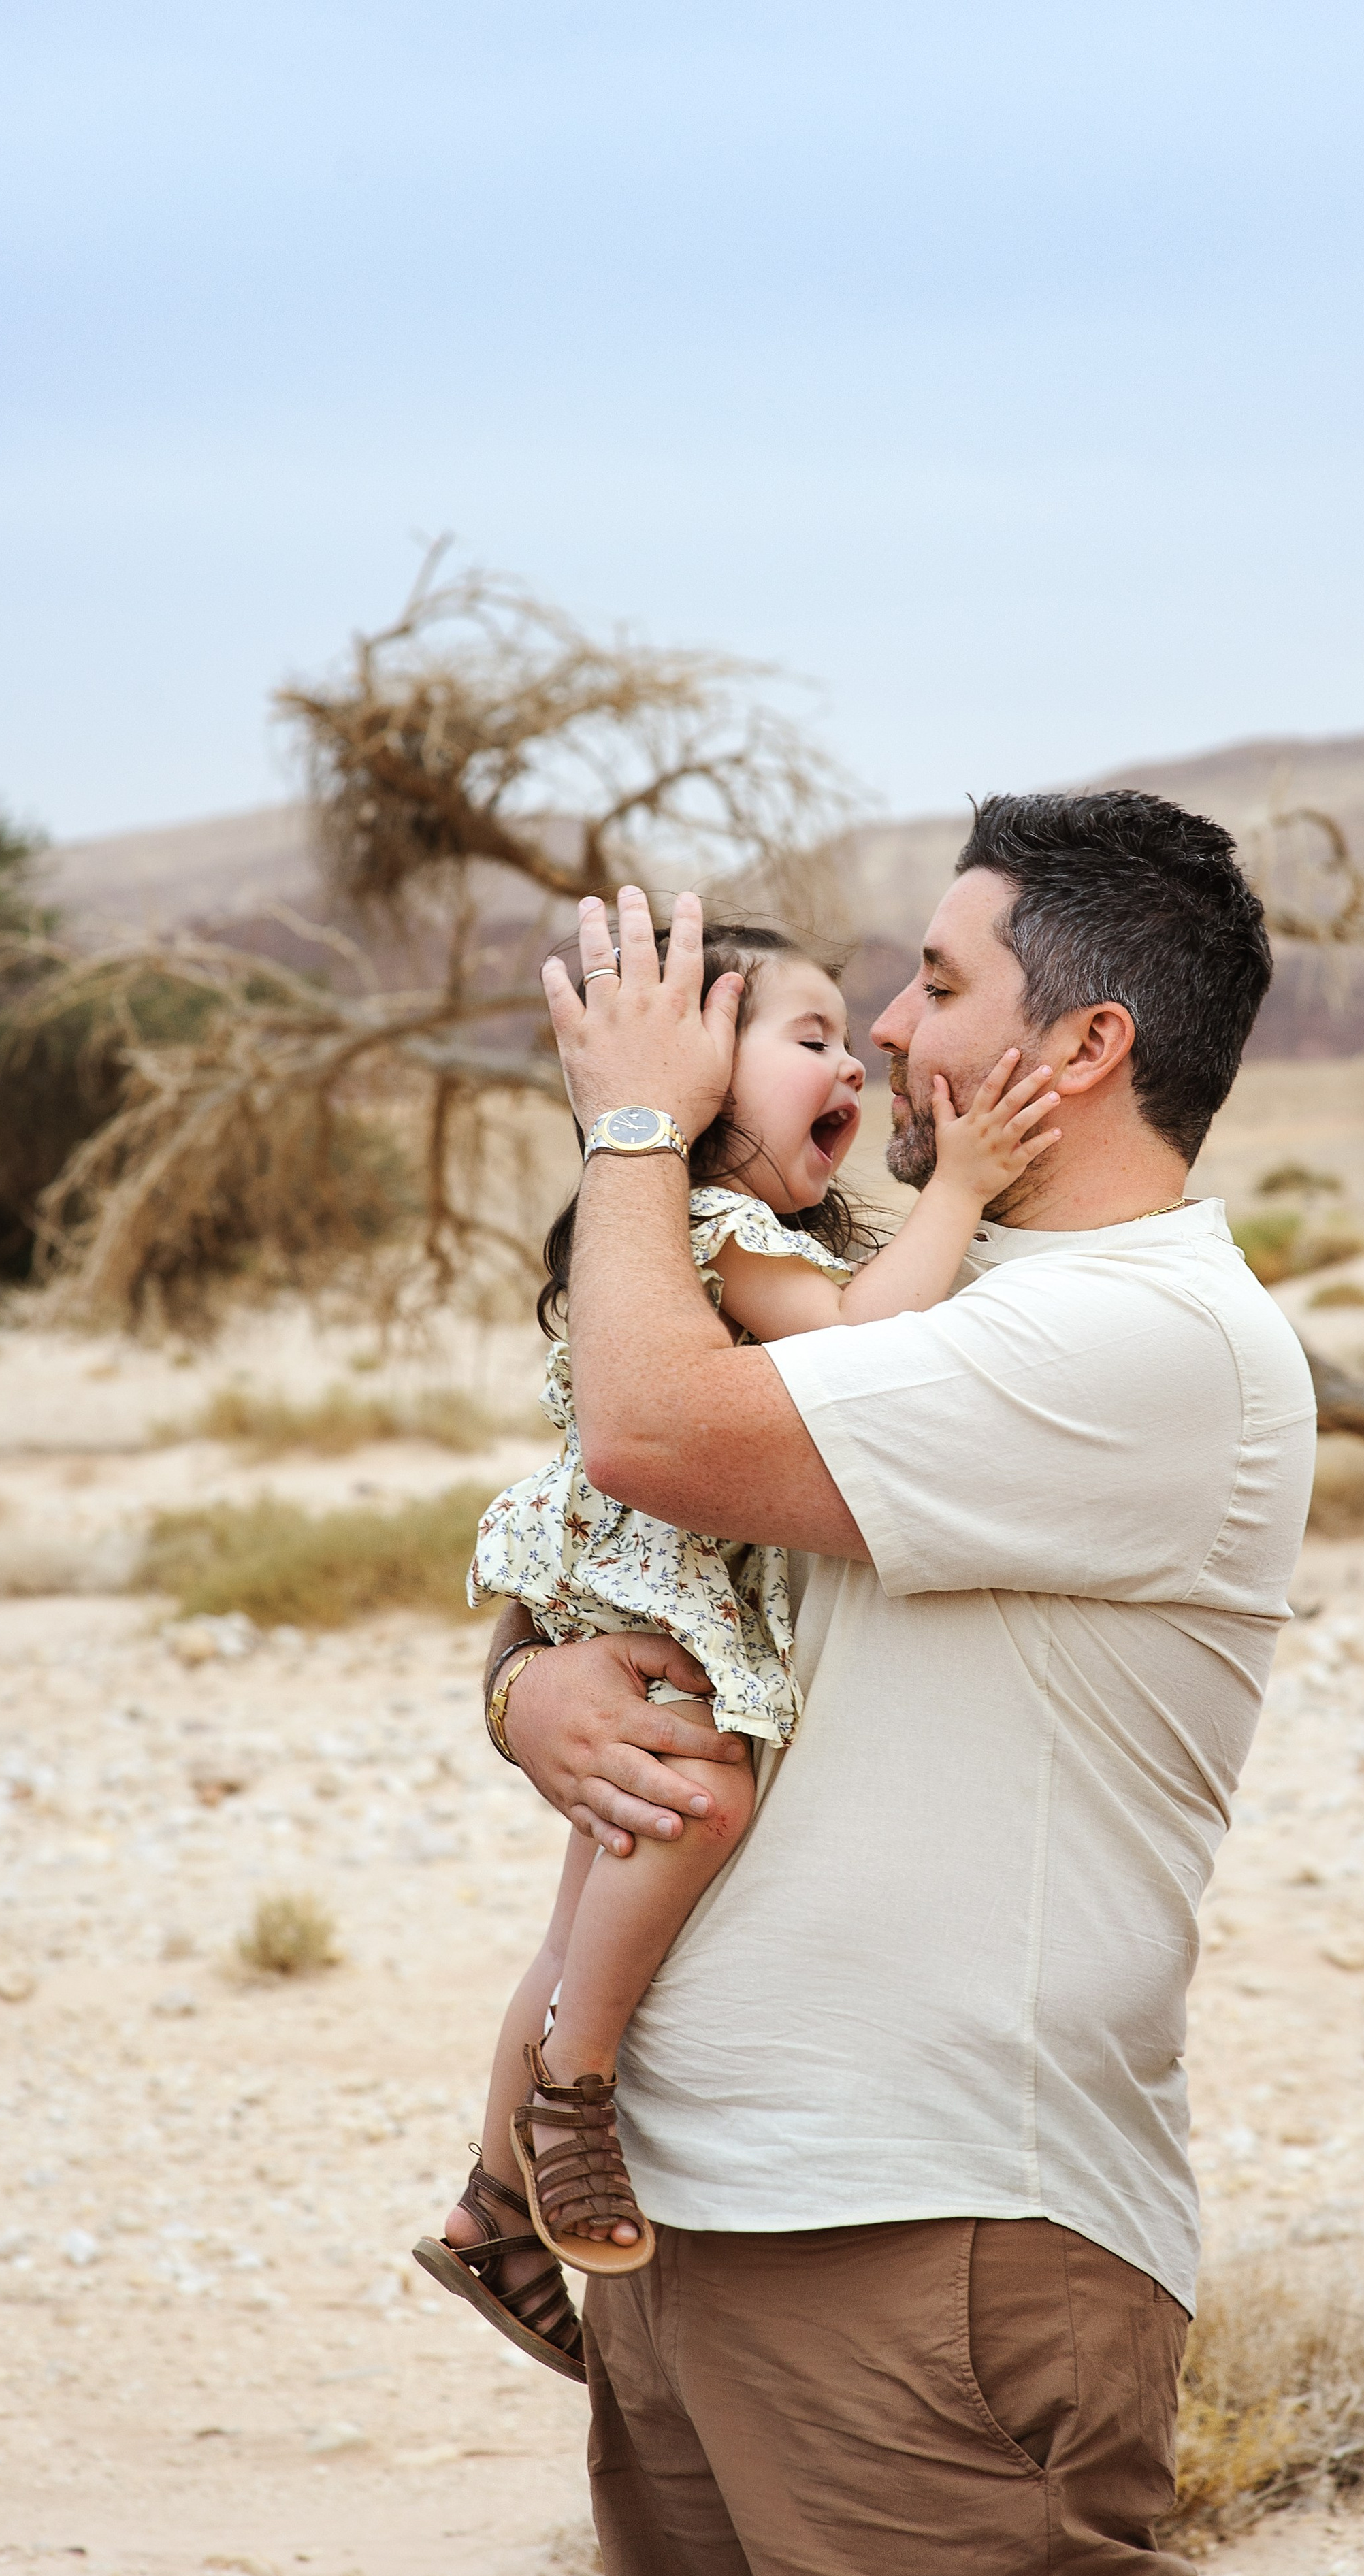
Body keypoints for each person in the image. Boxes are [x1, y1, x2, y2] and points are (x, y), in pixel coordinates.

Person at [490, 792, 1315, 2576]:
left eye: (939, 984)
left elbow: (653, 1426)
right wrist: (527, 1689)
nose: (881, 1025)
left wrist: (636, 1124)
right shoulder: (940, 1298)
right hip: (697, 2205)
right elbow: (648, 1539)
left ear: (1088, 1045)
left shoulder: (1143, 1342)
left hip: (926, 2235)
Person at [415, 921, 1060, 2369]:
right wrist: (959, 1192)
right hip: (658, 1582)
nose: (853, 1060)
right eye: (809, 1037)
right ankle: (572, 2102)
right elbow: (849, 1343)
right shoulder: (712, 1226)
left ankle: (488, 2207)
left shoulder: (707, 1227)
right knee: (695, 1795)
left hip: (627, 1575)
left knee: (585, 1905)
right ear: (702, 1086)